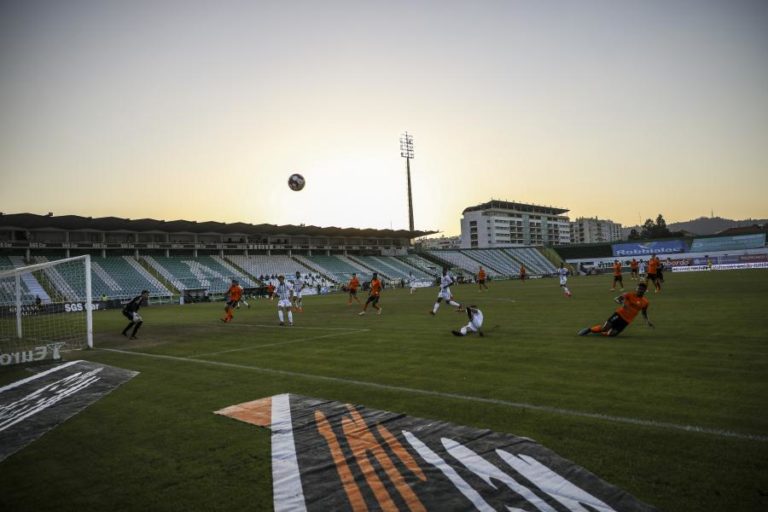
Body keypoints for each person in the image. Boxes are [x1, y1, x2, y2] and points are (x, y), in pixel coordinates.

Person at [578, 282, 654, 337]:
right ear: (636, 288)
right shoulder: (629, 295)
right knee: (605, 328)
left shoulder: (645, 302)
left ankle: (603, 332)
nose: (640, 290)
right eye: (639, 288)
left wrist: (648, 321)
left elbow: (644, 312)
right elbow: (616, 299)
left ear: (645, 290)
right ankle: (589, 330)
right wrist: (622, 303)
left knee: (612, 334)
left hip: (627, 320)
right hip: (619, 315)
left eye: (642, 289)